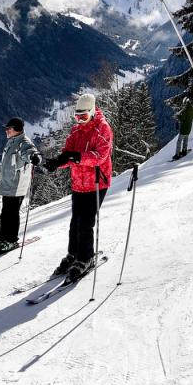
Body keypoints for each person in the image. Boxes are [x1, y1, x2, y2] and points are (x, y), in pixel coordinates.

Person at [45, 93, 113, 281]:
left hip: (97, 183)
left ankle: (85, 258)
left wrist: (77, 157)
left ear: (92, 112)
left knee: (85, 223)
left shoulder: (103, 129)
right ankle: (73, 254)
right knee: (75, 222)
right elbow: (68, 154)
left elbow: (100, 157)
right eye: (77, 117)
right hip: (79, 183)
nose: (80, 120)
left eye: (83, 116)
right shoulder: (76, 132)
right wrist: (57, 162)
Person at [0, 117, 41, 255]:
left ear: (16, 129)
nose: (6, 131)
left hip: (17, 186)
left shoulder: (23, 143)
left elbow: (30, 152)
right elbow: (4, 167)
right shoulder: (11, 143)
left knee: (11, 214)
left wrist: (35, 157)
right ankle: (4, 240)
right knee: (6, 214)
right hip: (8, 185)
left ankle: (10, 240)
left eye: (8, 128)